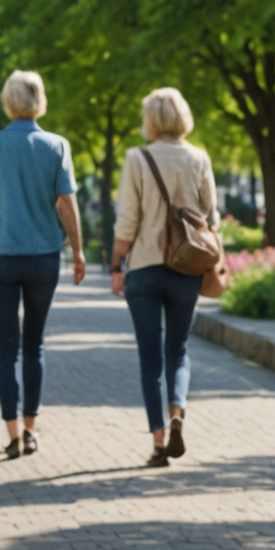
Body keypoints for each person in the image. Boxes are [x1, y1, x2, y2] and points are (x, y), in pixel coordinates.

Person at [0, 70, 86, 459]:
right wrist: (79, 252)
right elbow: (66, 203)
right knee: (34, 343)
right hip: (43, 258)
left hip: (0, 257)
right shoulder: (57, 146)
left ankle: (14, 433)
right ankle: (32, 429)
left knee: (6, 347)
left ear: (7, 101)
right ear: (39, 101)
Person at [112, 87, 217, 469]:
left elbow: (128, 219)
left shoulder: (137, 158)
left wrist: (115, 265)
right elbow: (211, 216)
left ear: (151, 120)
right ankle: (178, 412)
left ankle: (158, 443)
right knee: (178, 350)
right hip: (186, 268)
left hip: (143, 267)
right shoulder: (199, 159)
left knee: (149, 358)